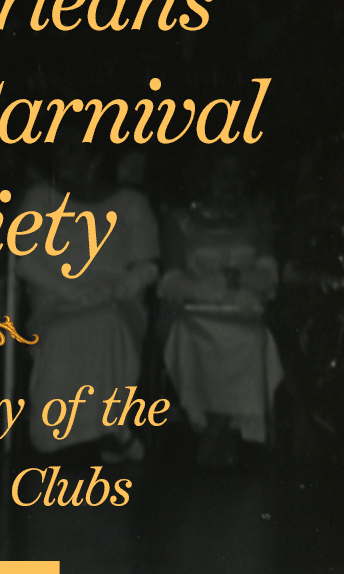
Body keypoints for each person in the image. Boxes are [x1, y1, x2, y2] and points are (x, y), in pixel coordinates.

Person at [18, 142, 159, 458]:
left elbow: (147, 266)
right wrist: (73, 293)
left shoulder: (130, 203)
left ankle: (108, 428)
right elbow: (25, 260)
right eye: (59, 153)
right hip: (56, 301)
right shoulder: (40, 199)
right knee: (68, 330)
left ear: (95, 159)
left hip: (116, 300)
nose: (63, 159)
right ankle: (64, 435)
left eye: (72, 152)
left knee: (106, 323)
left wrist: (116, 290)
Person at [159, 152, 282, 467]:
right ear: (205, 179)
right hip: (196, 311)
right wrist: (202, 289)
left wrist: (239, 280)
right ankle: (217, 428)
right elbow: (170, 277)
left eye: (235, 175)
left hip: (242, 309)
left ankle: (215, 431)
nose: (229, 183)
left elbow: (269, 274)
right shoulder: (182, 219)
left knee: (253, 341)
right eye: (221, 175)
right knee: (188, 338)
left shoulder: (256, 218)